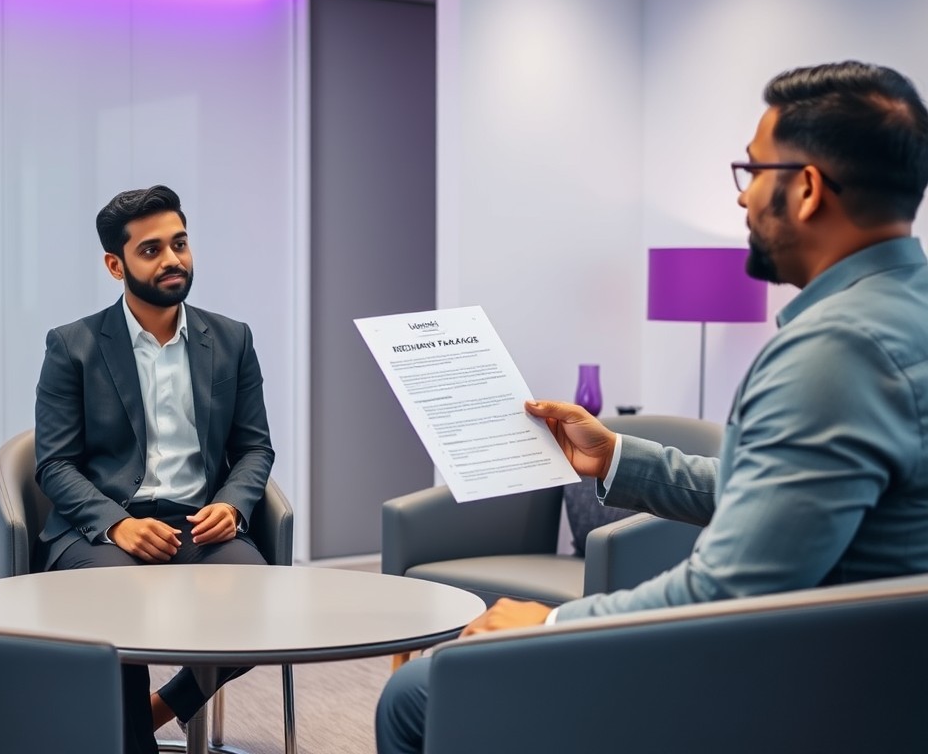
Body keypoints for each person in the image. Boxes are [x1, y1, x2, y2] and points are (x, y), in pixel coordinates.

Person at [377, 59, 928, 754]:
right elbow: (778, 497)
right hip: (887, 675)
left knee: (418, 694)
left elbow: (730, 590)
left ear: (808, 189)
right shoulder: (905, 314)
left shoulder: (835, 351)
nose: (743, 199)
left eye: (752, 171)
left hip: (817, 691)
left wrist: (552, 625)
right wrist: (616, 457)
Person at [34, 184, 274, 754]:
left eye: (179, 243)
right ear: (115, 265)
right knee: (116, 615)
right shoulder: (73, 346)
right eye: (151, 249)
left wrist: (232, 504)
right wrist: (116, 524)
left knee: (259, 605)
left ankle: (156, 712)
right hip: (102, 530)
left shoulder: (232, 339)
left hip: (198, 523)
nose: (172, 259)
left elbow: (255, 448)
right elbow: (55, 464)